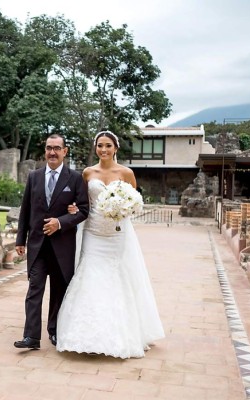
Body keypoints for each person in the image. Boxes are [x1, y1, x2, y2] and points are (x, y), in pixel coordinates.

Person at [56, 130, 165, 358]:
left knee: (118, 277)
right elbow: (80, 202)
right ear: (95, 148)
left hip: (117, 234)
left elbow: (136, 203)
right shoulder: (87, 173)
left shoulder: (126, 173)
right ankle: (86, 333)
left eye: (108, 145)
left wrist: (122, 209)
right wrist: (73, 209)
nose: (103, 150)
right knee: (90, 275)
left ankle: (120, 332)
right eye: (100, 145)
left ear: (115, 148)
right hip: (93, 233)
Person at [14, 133, 89, 350]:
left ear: (65, 151)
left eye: (57, 148)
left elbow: (83, 210)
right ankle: (31, 337)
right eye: (49, 148)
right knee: (34, 289)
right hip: (37, 246)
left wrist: (61, 222)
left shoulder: (75, 179)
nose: (52, 152)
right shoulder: (33, 176)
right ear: (45, 150)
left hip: (62, 247)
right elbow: (25, 210)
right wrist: (21, 239)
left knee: (58, 291)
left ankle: (54, 331)